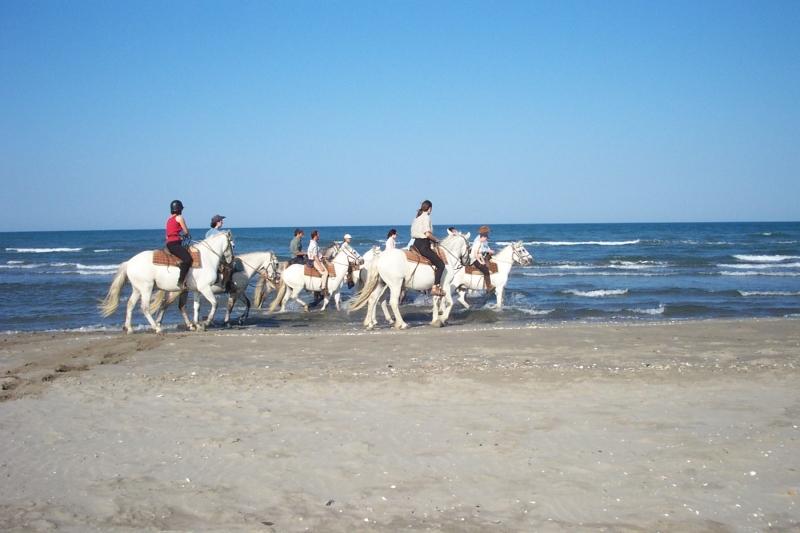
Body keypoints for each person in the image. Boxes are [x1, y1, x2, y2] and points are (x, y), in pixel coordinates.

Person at [411, 200, 445, 296]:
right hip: (423, 245)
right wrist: (435, 240)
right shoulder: (426, 217)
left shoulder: (416, 218)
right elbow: (427, 234)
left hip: (415, 244)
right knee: (441, 265)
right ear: (430, 208)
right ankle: (436, 287)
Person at [165, 199, 192, 290]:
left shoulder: (168, 219)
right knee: (188, 259)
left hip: (169, 243)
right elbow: (186, 231)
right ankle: (180, 282)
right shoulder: (180, 218)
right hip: (174, 243)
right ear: (179, 209)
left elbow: (168, 235)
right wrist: (185, 235)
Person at [472, 225, 495, 293]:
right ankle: (488, 285)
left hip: (481, 256)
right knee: (485, 269)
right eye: (487, 231)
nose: (488, 233)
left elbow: (486, 247)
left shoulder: (482, 240)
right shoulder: (478, 241)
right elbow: (478, 251)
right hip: (478, 257)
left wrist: (489, 250)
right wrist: (488, 251)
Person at [307, 229, 329, 296]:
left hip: (315, 259)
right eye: (318, 235)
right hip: (313, 261)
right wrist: (320, 266)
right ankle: (323, 289)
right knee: (325, 272)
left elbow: (317, 254)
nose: (319, 236)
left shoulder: (314, 243)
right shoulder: (313, 244)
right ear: (315, 236)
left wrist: (322, 256)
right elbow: (315, 256)